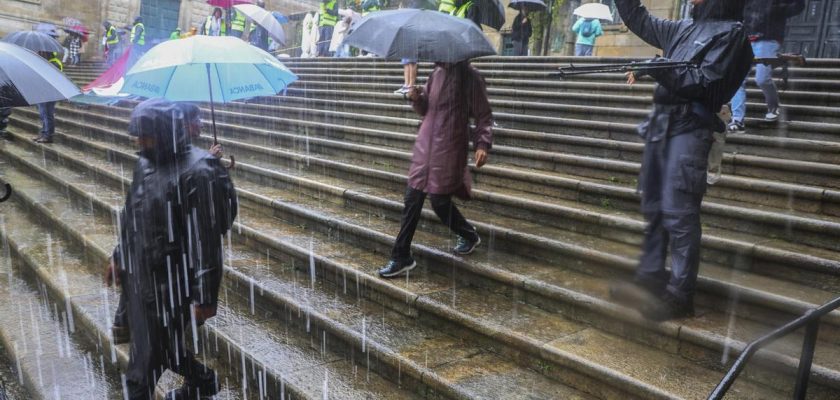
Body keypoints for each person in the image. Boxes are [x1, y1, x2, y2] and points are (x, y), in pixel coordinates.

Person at [608, 0, 753, 321]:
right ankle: (651, 278)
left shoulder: (732, 34)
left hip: (691, 128)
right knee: (654, 205)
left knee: (678, 211)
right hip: (662, 124)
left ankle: (680, 294)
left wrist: (658, 67)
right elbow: (638, 19)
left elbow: (704, 82)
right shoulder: (682, 28)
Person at [104, 99, 237, 400]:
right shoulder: (145, 163)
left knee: (141, 371)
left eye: (145, 135)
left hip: (175, 283)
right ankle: (204, 382)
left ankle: (199, 382)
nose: (139, 142)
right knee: (165, 348)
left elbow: (206, 239)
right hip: (143, 277)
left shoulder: (201, 170)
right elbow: (133, 215)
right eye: (136, 135)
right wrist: (118, 255)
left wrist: (205, 296)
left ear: (164, 132)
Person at [378, 61, 493, 278]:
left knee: (440, 201)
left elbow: (484, 115)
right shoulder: (437, 73)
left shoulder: (472, 77)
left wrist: (482, 144)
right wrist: (417, 98)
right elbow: (426, 109)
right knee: (412, 198)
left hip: (449, 146)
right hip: (425, 146)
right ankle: (401, 256)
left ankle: (468, 235)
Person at [728, 0, 805, 132]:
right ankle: (737, 120)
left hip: (768, 38)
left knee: (762, 78)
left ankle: (774, 107)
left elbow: (797, 6)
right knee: (737, 80)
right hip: (746, 38)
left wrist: (777, 9)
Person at [34, 52, 62, 144]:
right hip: (42, 92)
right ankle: (43, 133)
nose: (39, 53)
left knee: (47, 114)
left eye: (42, 52)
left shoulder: (54, 63)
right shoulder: (45, 62)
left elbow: (51, 78)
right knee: (43, 115)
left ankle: (48, 135)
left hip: (50, 93)